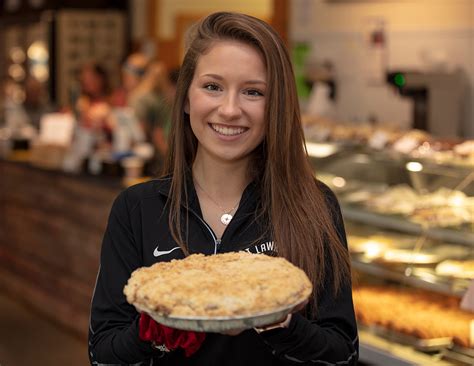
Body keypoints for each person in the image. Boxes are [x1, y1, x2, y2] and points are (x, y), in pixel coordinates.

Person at [89, 11, 358, 365]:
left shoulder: (315, 204)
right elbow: (102, 355)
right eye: (212, 86)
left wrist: (283, 324)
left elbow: (343, 354)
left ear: (275, 104)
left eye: (253, 91)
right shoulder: (137, 208)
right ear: (186, 98)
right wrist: (153, 331)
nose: (230, 110)